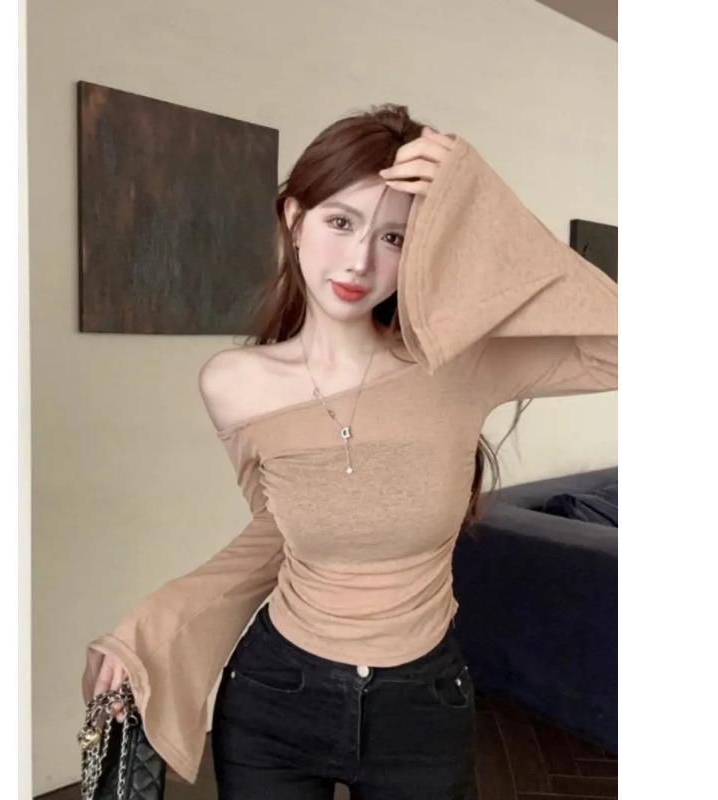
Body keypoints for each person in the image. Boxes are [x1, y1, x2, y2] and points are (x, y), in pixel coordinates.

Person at [84, 104, 618, 799]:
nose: (361, 261)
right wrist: (154, 625)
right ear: (293, 218)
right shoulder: (234, 385)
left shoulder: (461, 363)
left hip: (422, 708)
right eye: (341, 222)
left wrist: (483, 207)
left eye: (395, 236)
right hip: (274, 698)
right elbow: (275, 533)